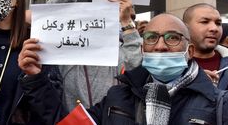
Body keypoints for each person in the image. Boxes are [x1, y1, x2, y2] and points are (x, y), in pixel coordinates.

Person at [19, 13, 228, 124]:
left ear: (190, 51)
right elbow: (65, 123)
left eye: (173, 38)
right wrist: (36, 79)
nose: (161, 45)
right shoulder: (117, 97)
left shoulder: (218, 105)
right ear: (143, 47)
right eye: (151, 38)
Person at [44, 0, 142, 110]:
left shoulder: (118, 55)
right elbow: (48, 15)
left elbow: (135, 66)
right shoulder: (68, 56)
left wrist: (127, 22)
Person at [182, 3, 228, 89]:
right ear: (185, 27)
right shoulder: (170, 67)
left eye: (218, 23)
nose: (214, 28)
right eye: (205, 22)